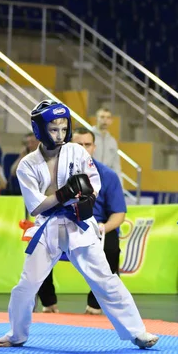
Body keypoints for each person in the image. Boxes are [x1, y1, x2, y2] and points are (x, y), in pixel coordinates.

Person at [0, 100, 158, 349]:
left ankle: (138, 333)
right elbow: (36, 206)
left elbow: (93, 183)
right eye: (53, 129)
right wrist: (62, 195)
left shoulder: (77, 152)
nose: (60, 135)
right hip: (48, 226)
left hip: (78, 223)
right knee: (26, 286)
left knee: (106, 279)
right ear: (39, 129)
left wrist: (88, 198)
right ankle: (17, 334)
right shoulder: (28, 164)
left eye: (63, 128)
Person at [36, 127, 127, 315]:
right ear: (70, 146)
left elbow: (119, 214)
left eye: (88, 144)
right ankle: (49, 303)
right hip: (60, 221)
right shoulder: (53, 170)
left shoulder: (108, 175)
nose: (84, 149)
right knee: (39, 246)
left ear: (94, 147)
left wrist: (103, 228)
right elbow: (40, 203)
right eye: (79, 144)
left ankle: (96, 305)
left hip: (96, 226)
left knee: (111, 246)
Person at [92, 107, 121, 181]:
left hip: (106, 180)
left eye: (108, 117)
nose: (105, 120)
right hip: (91, 178)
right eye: (102, 117)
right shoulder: (88, 136)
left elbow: (116, 165)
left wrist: (119, 184)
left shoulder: (112, 141)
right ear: (96, 118)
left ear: (111, 121)